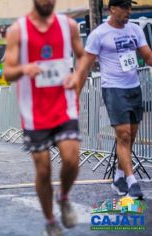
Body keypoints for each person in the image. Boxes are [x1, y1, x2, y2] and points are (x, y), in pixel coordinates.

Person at [3, 0, 85, 235]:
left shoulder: (68, 25)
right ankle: (50, 221)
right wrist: (23, 69)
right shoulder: (18, 30)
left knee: (71, 159)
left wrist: (77, 76)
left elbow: (83, 57)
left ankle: (64, 196)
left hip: (64, 104)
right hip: (34, 111)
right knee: (43, 170)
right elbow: (8, 72)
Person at [70, 0, 152, 200]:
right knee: (123, 135)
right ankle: (132, 182)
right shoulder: (99, 34)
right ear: (112, 8)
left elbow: (148, 57)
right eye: (125, 7)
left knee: (130, 136)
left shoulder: (134, 30)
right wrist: (75, 97)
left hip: (134, 88)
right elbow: (84, 67)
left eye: (130, 7)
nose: (129, 12)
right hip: (113, 89)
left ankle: (118, 177)